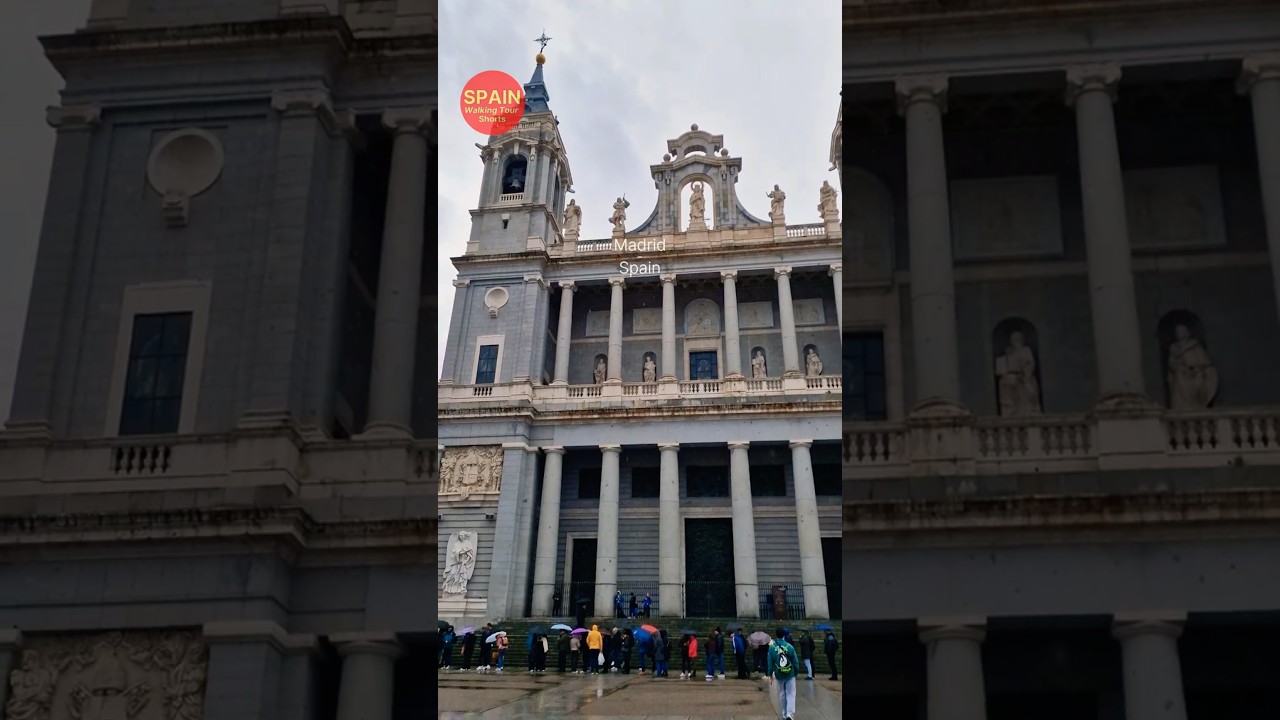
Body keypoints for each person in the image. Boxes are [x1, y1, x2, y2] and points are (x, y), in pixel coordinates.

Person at [766, 628, 801, 720]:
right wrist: (795, 672)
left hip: (779, 673)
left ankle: (784, 714)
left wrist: (770, 674)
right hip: (790, 673)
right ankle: (790, 714)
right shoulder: (789, 647)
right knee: (791, 694)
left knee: (782, 693)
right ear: (784, 635)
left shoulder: (772, 648)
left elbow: (770, 663)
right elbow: (795, 662)